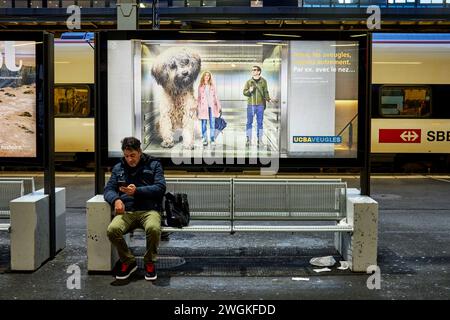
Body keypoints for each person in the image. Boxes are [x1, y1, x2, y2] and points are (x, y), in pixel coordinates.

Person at [104, 137, 166, 281]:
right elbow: (108, 189)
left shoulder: (153, 164)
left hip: (149, 210)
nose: (129, 159)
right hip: (128, 211)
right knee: (112, 230)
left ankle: (149, 262)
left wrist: (137, 191)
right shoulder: (119, 167)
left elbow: (160, 187)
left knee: (153, 229)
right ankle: (129, 261)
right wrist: (116, 199)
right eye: (126, 156)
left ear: (139, 152)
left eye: (132, 155)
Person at [243, 65, 271, 148]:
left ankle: (260, 140)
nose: (253, 71)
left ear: (259, 71)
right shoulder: (249, 82)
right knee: (249, 123)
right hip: (251, 105)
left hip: (260, 105)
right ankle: (248, 139)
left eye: (255, 70)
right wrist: (249, 90)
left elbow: (266, 92)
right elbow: (244, 92)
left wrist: (268, 99)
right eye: (252, 70)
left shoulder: (263, 81)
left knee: (260, 123)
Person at [197, 71, 222, 146]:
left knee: (212, 123)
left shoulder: (213, 86)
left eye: (208, 76)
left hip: (212, 107)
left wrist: (219, 106)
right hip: (203, 107)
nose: (207, 77)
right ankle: (204, 139)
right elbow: (199, 98)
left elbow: (216, 97)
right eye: (205, 75)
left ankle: (212, 139)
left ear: (210, 77)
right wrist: (197, 107)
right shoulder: (200, 86)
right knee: (203, 124)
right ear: (203, 77)